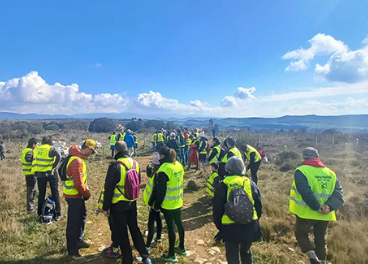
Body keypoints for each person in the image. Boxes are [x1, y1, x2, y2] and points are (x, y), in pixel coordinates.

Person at [289, 147, 344, 264]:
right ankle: (322, 261)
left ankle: (313, 258)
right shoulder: (330, 173)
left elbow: (305, 191)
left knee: (300, 234)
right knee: (320, 240)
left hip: (306, 212)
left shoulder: (301, 171)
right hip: (325, 214)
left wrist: (316, 206)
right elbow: (339, 193)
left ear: (304, 157)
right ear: (317, 157)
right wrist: (329, 206)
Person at [101, 141, 152, 264]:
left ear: (116, 151)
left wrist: (105, 207)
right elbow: (137, 182)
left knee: (122, 232)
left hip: (118, 205)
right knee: (135, 228)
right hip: (132, 202)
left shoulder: (115, 165)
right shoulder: (135, 163)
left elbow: (108, 189)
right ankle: (145, 256)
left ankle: (127, 259)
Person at [213, 157, 262, 264]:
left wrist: (220, 227)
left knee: (232, 254)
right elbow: (258, 205)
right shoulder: (250, 183)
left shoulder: (223, 184)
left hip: (229, 227)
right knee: (246, 252)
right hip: (249, 224)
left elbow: (217, 209)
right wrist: (255, 221)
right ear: (242, 168)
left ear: (227, 168)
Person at [148, 146, 186, 262]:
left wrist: (156, 205)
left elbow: (161, 191)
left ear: (162, 156)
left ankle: (171, 254)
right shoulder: (178, 165)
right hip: (178, 201)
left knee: (171, 228)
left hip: (169, 204)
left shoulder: (163, 169)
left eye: (159, 155)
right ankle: (182, 247)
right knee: (179, 224)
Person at [64, 139, 97, 258]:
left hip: (77, 196)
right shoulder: (77, 161)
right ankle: (72, 251)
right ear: (88, 149)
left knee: (81, 217)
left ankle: (79, 240)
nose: (91, 155)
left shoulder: (78, 158)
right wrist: (87, 194)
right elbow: (78, 184)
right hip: (74, 196)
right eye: (92, 152)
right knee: (73, 223)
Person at [31, 136, 62, 219]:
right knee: (55, 193)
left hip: (40, 174)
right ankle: (58, 213)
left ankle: (40, 213)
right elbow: (59, 156)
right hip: (50, 173)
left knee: (41, 193)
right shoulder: (51, 148)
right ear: (50, 141)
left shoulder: (36, 149)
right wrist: (53, 166)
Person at [143, 154, 163, 249]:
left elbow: (155, 192)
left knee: (151, 223)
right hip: (158, 203)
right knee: (158, 218)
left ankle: (147, 247)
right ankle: (158, 238)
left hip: (154, 202)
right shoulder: (160, 173)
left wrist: (151, 204)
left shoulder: (157, 175)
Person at [21, 138, 39, 213]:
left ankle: (31, 208)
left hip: (28, 173)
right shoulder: (30, 151)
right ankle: (30, 209)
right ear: (33, 144)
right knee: (31, 191)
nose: (38, 146)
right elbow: (29, 159)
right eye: (37, 144)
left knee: (31, 191)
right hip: (31, 174)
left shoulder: (25, 150)